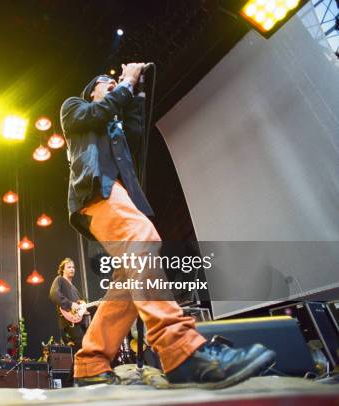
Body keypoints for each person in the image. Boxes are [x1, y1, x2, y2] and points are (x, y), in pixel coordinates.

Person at [59, 62, 276, 388]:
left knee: (125, 284)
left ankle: (90, 361)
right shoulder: (75, 108)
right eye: (106, 82)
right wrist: (125, 84)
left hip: (116, 195)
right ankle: (180, 350)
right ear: (92, 89)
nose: (112, 85)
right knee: (143, 239)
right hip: (96, 193)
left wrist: (136, 91)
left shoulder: (111, 121)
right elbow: (99, 113)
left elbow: (134, 136)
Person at [48, 258, 89, 351]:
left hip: (79, 322)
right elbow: (53, 294)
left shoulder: (74, 288)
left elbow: (80, 305)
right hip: (69, 323)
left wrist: (89, 307)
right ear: (62, 269)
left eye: (73, 267)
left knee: (85, 346)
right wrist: (70, 304)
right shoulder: (59, 279)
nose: (72, 269)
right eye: (69, 267)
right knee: (80, 347)